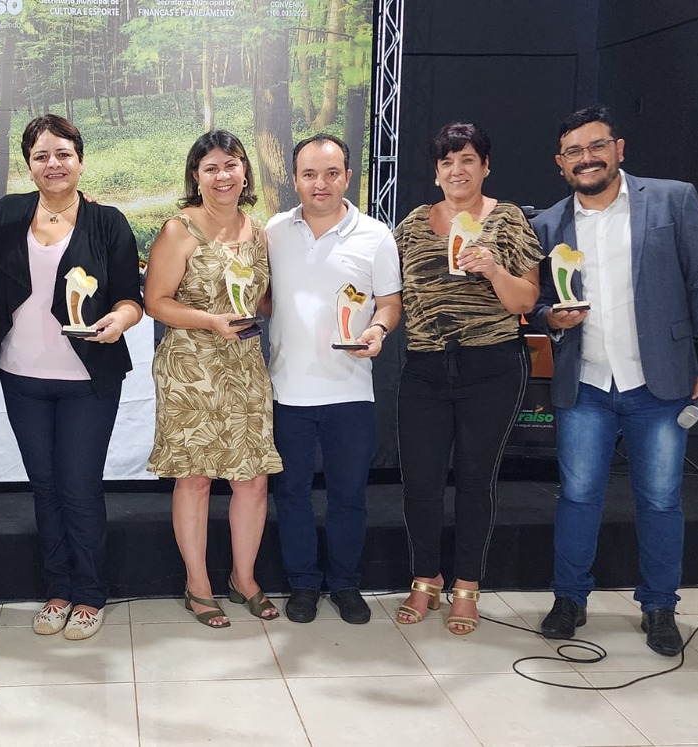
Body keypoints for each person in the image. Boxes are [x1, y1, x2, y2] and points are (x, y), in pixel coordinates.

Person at [530, 105, 698, 656]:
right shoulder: (547, 224)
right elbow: (538, 303)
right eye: (574, 151)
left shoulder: (672, 200)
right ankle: (570, 599)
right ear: (560, 163)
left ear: (619, 149)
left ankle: (660, 606)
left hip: (659, 383)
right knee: (576, 497)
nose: (586, 158)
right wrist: (550, 316)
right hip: (587, 385)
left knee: (662, 500)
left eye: (596, 146)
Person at [0, 114, 144, 641]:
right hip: (20, 374)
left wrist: (120, 320)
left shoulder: (108, 222)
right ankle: (57, 589)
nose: (53, 164)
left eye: (63, 154)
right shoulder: (6, 215)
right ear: (28, 164)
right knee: (45, 487)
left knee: (79, 487)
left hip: (87, 379)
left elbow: (130, 298)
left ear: (80, 159)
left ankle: (90, 593)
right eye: (41, 156)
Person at [392, 122, 542, 635]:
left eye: (468, 160)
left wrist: (495, 270)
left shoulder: (509, 220)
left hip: (491, 367)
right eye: (447, 162)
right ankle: (425, 577)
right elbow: (386, 291)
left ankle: (468, 587)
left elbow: (526, 301)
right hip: (426, 367)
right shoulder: (411, 225)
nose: (457, 170)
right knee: (421, 482)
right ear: (436, 172)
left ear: (485, 166)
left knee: (476, 481)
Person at [146, 130, 282, 629]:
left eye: (231, 164)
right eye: (211, 167)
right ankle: (198, 584)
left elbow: (264, 300)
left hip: (245, 368)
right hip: (191, 370)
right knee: (197, 477)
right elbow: (155, 301)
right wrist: (210, 321)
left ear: (245, 170)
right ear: (196, 176)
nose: (222, 175)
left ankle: (243, 579)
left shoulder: (259, 230)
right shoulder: (179, 229)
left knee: (252, 479)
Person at [264, 134, 401, 625]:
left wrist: (380, 329)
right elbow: (262, 295)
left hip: (349, 390)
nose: (319, 183)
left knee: (348, 495)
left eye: (330, 173)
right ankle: (303, 584)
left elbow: (389, 301)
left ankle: (345, 583)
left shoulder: (375, 236)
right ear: (295, 178)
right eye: (308, 174)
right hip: (287, 391)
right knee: (292, 495)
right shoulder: (274, 232)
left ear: (347, 175)